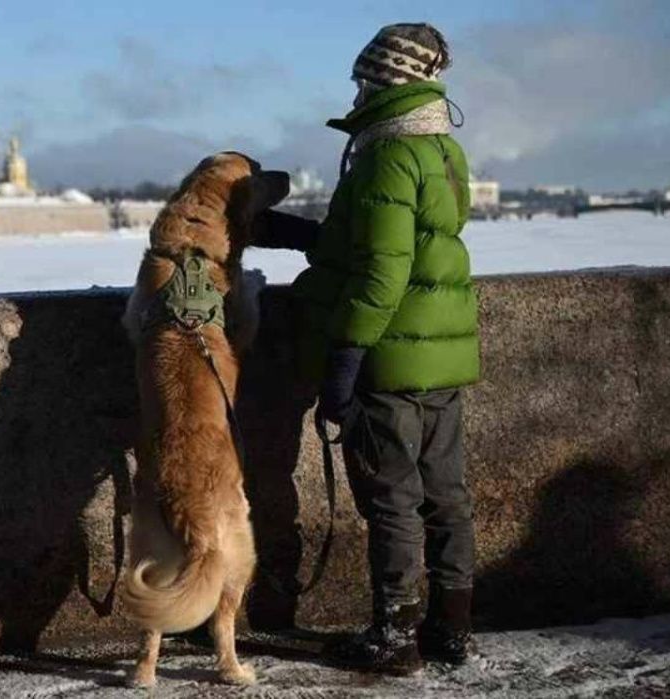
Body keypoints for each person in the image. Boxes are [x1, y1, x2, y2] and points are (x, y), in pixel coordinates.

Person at [252, 23, 479, 675]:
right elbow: (396, 241)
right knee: (446, 495)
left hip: (388, 359)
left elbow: (382, 270)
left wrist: (346, 358)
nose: (355, 92)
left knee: (391, 500)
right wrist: (294, 234)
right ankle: (451, 627)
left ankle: (394, 635)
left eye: (363, 80)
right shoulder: (441, 149)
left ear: (386, 83)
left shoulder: (387, 155)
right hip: (440, 358)